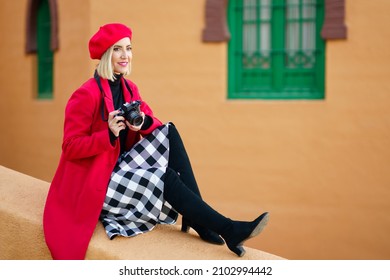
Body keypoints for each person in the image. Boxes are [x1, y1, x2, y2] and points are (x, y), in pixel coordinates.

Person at [43, 23, 269, 260]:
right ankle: (228, 229)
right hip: (97, 183)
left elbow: (158, 128)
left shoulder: (130, 89)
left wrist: (142, 123)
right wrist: (108, 134)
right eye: (118, 49)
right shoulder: (86, 94)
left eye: (129, 48)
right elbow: (70, 147)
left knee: (169, 131)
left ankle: (197, 217)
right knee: (165, 176)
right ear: (107, 54)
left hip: (120, 168)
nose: (125, 55)